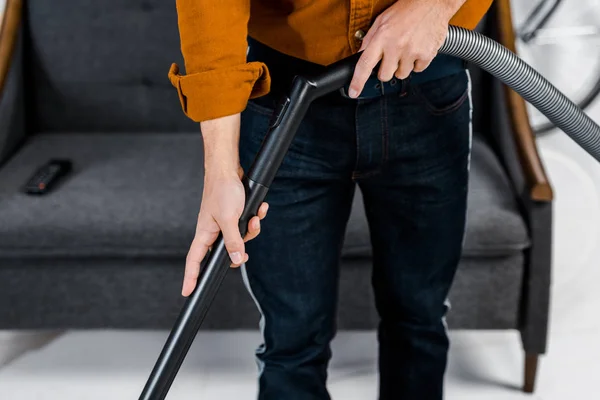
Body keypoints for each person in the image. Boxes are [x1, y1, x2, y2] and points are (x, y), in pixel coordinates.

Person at [168, 1, 492, 398]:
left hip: (427, 83)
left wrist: (433, 6)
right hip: (287, 102)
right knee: (291, 337)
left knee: (418, 318)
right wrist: (219, 168)